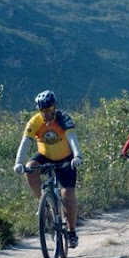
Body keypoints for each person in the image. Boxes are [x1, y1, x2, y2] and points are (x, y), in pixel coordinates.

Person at [13, 90, 83, 248]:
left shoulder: (64, 118)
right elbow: (25, 142)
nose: (46, 114)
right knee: (30, 168)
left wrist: (77, 156)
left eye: (49, 110)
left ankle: (72, 232)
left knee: (68, 196)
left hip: (66, 158)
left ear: (55, 107)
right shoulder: (34, 121)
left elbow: (72, 138)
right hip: (44, 155)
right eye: (42, 111)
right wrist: (18, 162)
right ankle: (43, 203)